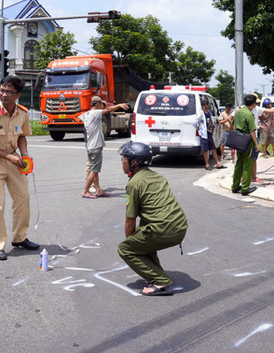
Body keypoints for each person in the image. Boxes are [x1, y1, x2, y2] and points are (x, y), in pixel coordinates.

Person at [0, 76, 39, 261]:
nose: (4, 94)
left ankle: (20, 238)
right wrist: (8, 156)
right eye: (2, 90)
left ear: (18, 95)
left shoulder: (23, 113)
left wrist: (25, 154)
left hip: (14, 160)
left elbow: (21, 136)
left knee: (23, 199)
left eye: (9, 92)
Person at [117, 141, 188, 296]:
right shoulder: (158, 177)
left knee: (125, 248)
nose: (122, 162)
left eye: (124, 158)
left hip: (164, 230)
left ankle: (160, 280)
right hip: (180, 228)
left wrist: (132, 244)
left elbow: (130, 221)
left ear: (134, 162)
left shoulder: (134, 184)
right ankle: (157, 274)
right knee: (143, 235)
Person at [80, 95, 128, 198]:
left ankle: (98, 190)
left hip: (89, 145)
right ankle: (85, 191)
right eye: (102, 104)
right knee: (94, 170)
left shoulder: (85, 114)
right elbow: (108, 110)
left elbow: (80, 118)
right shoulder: (95, 113)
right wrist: (119, 105)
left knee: (95, 169)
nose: (103, 106)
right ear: (97, 104)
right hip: (95, 146)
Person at [231, 94, 259, 196]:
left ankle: (235, 186)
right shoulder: (249, 114)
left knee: (239, 164)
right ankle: (245, 188)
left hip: (239, 140)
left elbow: (233, 125)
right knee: (248, 165)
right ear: (253, 104)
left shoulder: (238, 112)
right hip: (248, 141)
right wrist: (256, 144)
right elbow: (252, 131)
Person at [198, 101, 223, 170]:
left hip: (209, 133)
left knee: (213, 148)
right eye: (204, 105)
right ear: (202, 106)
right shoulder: (201, 114)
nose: (206, 106)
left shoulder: (209, 112)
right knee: (205, 150)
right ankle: (207, 164)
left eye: (206, 105)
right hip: (204, 134)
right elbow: (196, 123)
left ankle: (218, 163)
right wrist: (200, 131)